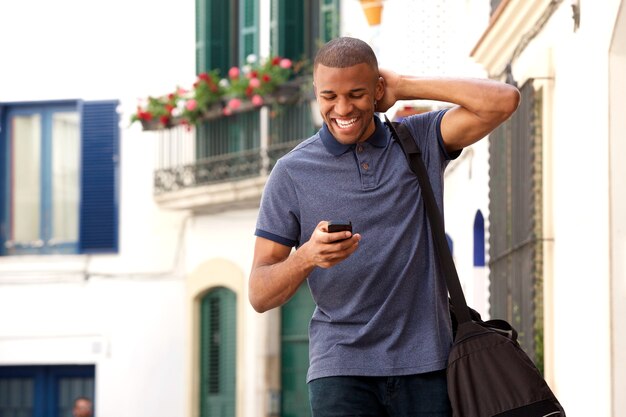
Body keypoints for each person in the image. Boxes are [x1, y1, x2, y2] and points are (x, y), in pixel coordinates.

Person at [249, 36, 519, 416]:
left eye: (357, 94)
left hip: (428, 366)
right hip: (340, 371)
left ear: (377, 90)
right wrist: (305, 258)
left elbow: (504, 100)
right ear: (316, 93)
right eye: (329, 96)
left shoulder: (420, 139)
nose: (342, 108)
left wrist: (405, 85)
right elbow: (259, 294)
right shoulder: (291, 172)